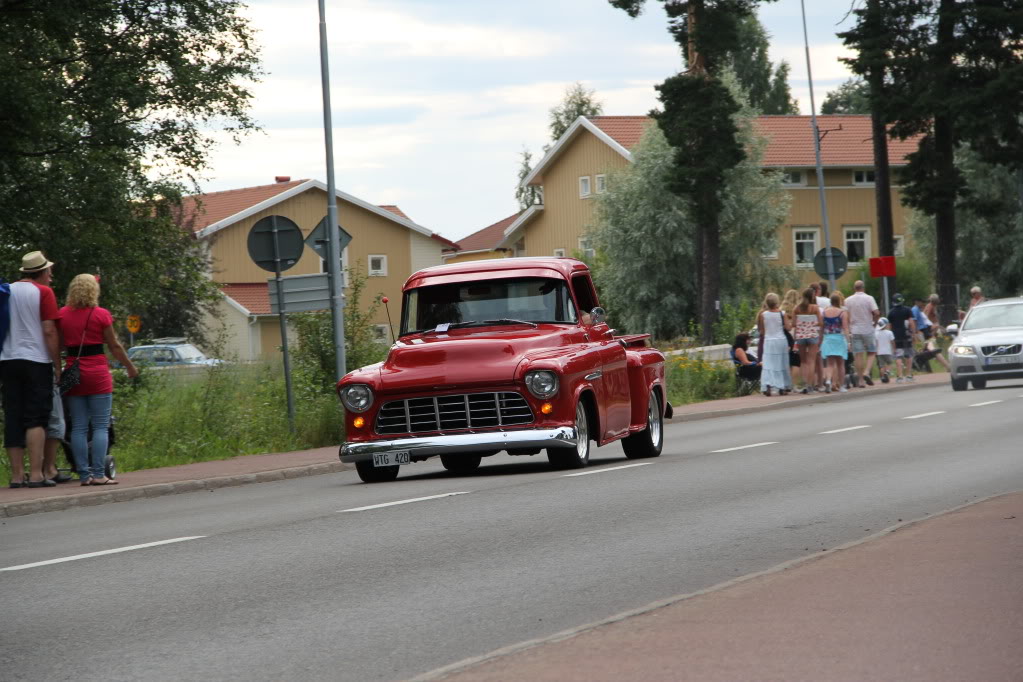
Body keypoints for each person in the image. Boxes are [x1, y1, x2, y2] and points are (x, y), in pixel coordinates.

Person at [59, 274, 137, 485]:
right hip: (97, 373)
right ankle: (99, 474)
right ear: (94, 291)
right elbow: (114, 345)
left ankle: (83, 475)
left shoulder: (63, 315)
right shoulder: (101, 314)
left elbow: (59, 345)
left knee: (78, 427)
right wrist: (130, 366)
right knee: (101, 425)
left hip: (74, 373)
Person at [1, 251, 62, 488]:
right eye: (49, 272)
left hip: (7, 360)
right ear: (43, 272)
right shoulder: (44, 293)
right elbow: (49, 330)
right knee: (36, 417)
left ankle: (17, 476)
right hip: (36, 360)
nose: (51, 276)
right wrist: (57, 364)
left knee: (13, 415)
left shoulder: (6, 290)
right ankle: (36, 474)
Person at [845, 280, 880, 387]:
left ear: (854, 288)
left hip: (855, 330)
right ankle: (866, 372)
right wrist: (874, 323)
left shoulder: (847, 300)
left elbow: (846, 315)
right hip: (867, 328)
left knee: (858, 355)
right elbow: (877, 312)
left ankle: (860, 380)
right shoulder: (869, 298)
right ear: (863, 288)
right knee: (872, 352)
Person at [757, 292, 792, 397]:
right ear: (777, 302)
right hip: (781, 340)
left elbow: (761, 331)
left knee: (768, 364)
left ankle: (768, 384)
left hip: (769, 341)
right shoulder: (782, 314)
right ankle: (782, 387)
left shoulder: (763, 315)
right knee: (781, 363)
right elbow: (788, 328)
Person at [792, 287, 822, 393]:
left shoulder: (797, 308)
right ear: (812, 297)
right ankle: (810, 385)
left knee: (803, 361)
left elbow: (794, 324)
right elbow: (821, 322)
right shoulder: (815, 308)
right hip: (812, 335)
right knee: (811, 361)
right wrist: (812, 324)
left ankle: (805, 384)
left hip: (800, 336)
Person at [820, 291, 850, 393]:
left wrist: (820, 341)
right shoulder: (842, 313)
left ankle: (828, 380)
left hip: (828, 338)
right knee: (840, 363)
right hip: (839, 338)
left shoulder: (824, 312)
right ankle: (841, 385)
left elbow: (821, 328)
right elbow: (845, 328)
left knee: (829, 363)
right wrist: (849, 342)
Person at [888, 293, 917, 382]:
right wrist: (913, 333)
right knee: (909, 355)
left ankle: (900, 376)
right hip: (906, 335)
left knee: (898, 356)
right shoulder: (907, 310)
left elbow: (889, 326)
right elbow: (911, 322)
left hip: (896, 336)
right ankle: (908, 375)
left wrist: (890, 337)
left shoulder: (891, 312)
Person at [874, 317, 895, 383]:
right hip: (887, 351)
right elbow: (892, 342)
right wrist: (894, 349)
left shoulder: (876, 333)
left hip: (879, 352)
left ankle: (883, 377)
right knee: (890, 363)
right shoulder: (889, 333)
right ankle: (887, 372)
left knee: (881, 366)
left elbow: (876, 343)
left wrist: (876, 351)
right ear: (885, 325)